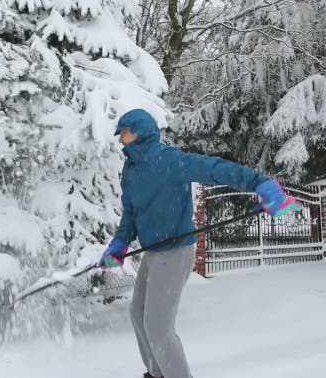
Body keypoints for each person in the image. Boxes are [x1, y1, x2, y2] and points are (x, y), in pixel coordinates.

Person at [98, 108, 302, 378]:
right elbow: (131, 212)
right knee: (138, 313)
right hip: (153, 253)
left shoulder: (169, 160)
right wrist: (119, 243)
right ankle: (157, 373)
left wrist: (260, 183)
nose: (120, 139)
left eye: (123, 133)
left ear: (140, 133)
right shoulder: (131, 169)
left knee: (159, 328)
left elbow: (216, 169)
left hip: (175, 251)